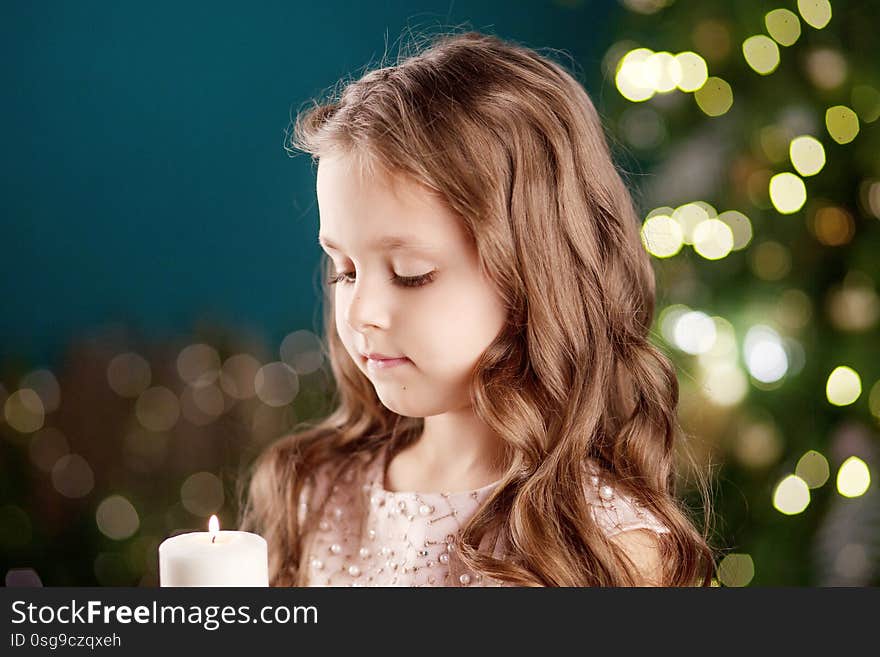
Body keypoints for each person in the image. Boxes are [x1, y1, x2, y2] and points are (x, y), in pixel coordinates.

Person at [238, 29, 717, 587]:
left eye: (411, 275)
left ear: (534, 270)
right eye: (345, 270)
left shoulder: (602, 547)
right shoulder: (319, 495)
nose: (361, 311)